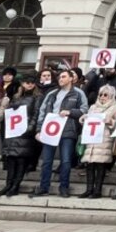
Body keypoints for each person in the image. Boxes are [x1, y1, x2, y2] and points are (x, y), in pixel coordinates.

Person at [32, 69, 88, 198]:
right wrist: (39, 130)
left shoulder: (78, 93)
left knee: (66, 161)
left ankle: (64, 187)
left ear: (71, 79)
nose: (60, 79)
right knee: (46, 161)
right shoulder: (52, 94)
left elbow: (84, 110)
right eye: (59, 77)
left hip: (68, 130)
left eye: (63, 77)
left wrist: (70, 112)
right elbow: (43, 111)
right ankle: (43, 186)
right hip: (50, 130)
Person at [0, 76, 40, 197]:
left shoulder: (37, 98)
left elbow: (36, 114)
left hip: (25, 133)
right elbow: (9, 114)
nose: (29, 84)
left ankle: (15, 186)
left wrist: (30, 128)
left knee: (21, 160)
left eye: (32, 82)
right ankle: (8, 184)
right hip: (14, 131)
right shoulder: (16, 97)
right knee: (11, 160)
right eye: (27, 82)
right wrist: (11, 108)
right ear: (22, 84)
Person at [79, 84, 116, 199]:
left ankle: (97, 190)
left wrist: (110, 121)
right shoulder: (92, 107)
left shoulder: (115, 108)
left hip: (104, 140)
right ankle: (89, 189)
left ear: (111, 96)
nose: (102, 97)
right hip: (91, 139)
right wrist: (83, 119)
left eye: (105, 95)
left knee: (100, 166)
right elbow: (86, 121)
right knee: (89, 165)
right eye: (101, 94)